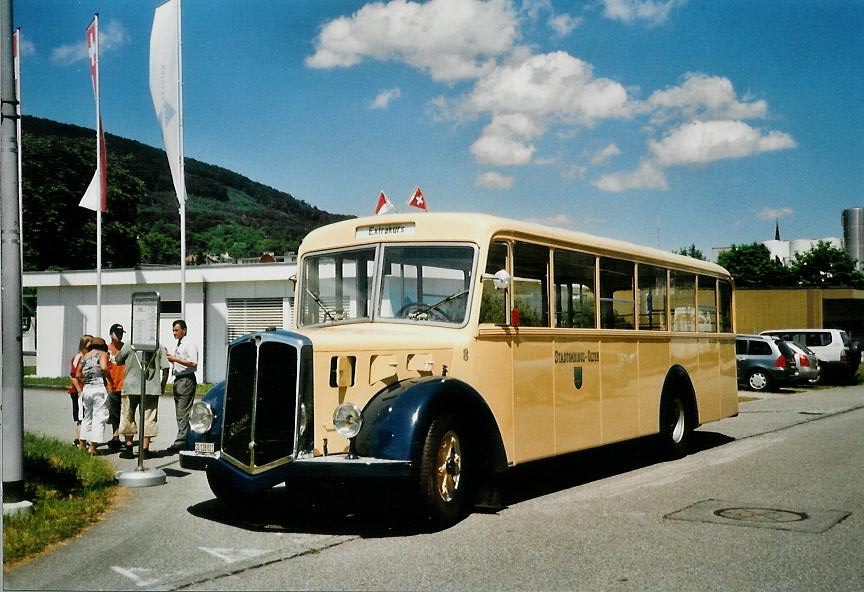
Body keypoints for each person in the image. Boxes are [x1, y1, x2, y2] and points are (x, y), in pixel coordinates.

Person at [116, 341, 170, 459]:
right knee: (149, 417)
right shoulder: (158, 345)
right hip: (151, 387)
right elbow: (166, 368)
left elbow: (118, 359)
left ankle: (129, 447)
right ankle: (145, 449)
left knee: (127, 415)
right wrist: (163, 385)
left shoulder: (130, 344)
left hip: (131, 386)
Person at [165, 319, 198, 453]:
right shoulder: (180, 344)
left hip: (186, 379)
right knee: (180, 411)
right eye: (173, 330)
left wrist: (175, 359)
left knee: (183, 412)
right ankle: (185, 438)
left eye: (177, 330)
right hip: (178, 379)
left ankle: (182, 441)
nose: (174, 333)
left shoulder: (189, 343)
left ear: (184, 330)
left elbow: (193, 363)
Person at [76, 337, 111, 456]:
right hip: (99, 388)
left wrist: (85, 381)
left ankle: (82, 444)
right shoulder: (102, 354)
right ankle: (92, 446)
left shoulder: (84, 357)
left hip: (87, 389)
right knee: (99, 417)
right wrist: (109, 380)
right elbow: (104, 367)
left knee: (87, 417)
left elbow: (77, 374)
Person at [67, 334, 92, 447]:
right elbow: (73, 375)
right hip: (78, 391)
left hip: (86, 389)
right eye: (89, 344)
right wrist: (79, 391)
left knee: (86, 416)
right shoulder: (79, 358)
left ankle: (82, 439)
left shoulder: (89, 357)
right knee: (80, 416)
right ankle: (79, 439)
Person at [105, 323, 126, 451]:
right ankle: (115, 435)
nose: (119, 336)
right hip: (112, 385)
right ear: (111, 334)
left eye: (121, 333)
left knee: (126, 412)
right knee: (114, 412)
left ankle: (126, 437)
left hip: (125, 385)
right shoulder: (107, 349)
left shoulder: (126, 348)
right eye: (116, 333)